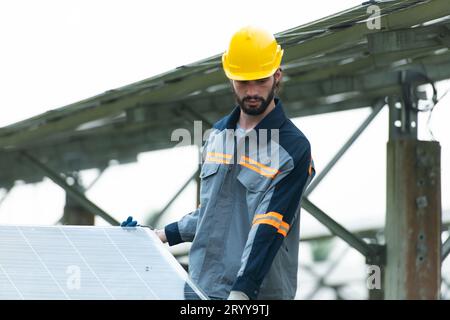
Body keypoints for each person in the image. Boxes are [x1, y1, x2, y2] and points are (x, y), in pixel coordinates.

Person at [122, 26, 315, 300]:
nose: (251, 91)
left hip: (254, 295)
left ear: (277, 76)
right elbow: (211, 212)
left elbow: (270, 227)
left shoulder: (292, 148)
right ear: (230, 79)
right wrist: (158, 236)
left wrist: (242, 291)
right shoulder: (217, 135)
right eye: (242, 82)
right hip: (202, 288)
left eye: (260, 80)